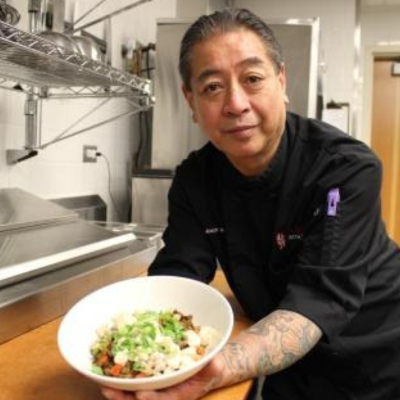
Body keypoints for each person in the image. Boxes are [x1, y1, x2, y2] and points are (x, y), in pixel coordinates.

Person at [102, 8, 400, 400]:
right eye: (211, 87)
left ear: (281, 81)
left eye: (253, 79)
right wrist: (142, 355)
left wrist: (216, 368)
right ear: (191, 102)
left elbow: (319, 299)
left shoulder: (345, 169)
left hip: (376, 365)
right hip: (281, 368)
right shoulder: (196, 179)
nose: (235, 103)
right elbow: (178, 276)